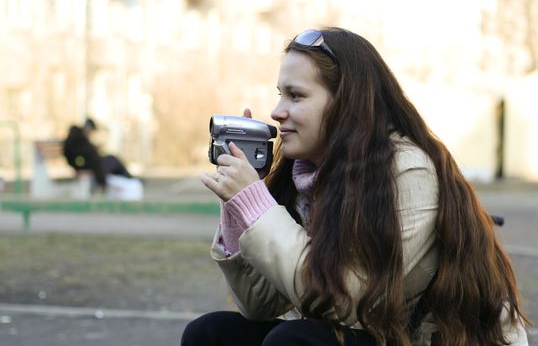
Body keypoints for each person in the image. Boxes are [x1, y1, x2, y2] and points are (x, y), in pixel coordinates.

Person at [182, 28, 530, 345]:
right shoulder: (307, 174)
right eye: (279, 95)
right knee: (211, 333)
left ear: (346, 103)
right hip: (373, 332)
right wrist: (238, 207)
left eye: (295, 96)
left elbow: (352, 302)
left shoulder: (408, 171)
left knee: (296, 341)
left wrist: (257, 207)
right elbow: (258, 304)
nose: (276, 112)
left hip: (430, 337)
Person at [63, 118, 133, 190]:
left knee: (112, 159)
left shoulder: (80, 139)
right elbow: (84, 157)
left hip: (88, 164)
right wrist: (79, 169)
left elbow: (86, 155)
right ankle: (129, 180)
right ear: (87, 128)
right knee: (112, 161)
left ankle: (127, 180)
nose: (90, 133)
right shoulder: (78, 140)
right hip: (88, 166)